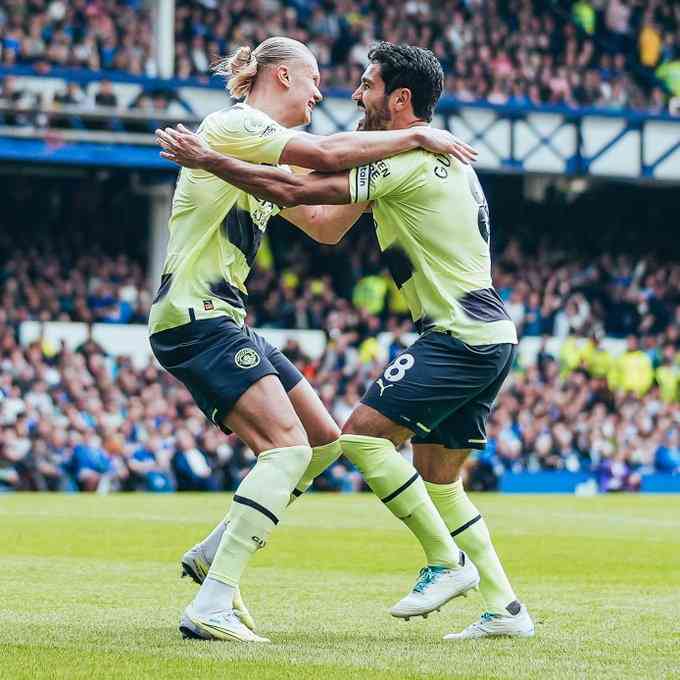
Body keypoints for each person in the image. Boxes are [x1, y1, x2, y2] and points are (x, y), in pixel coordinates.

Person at [157, 41, 534, 640]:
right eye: (320, 81)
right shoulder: (237, 127)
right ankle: (502, 604)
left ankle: (448, 566)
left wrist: (211, 161)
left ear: (400, 99)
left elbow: (310, 193)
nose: (342, 94)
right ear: (282, 75)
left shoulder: (405, 159)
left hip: (455, 333)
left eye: (365, 85)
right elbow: (313, 203)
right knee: (330, 446)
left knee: (344, 439)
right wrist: (216, 159)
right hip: (205, 315)